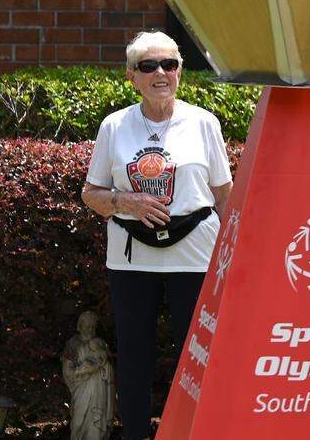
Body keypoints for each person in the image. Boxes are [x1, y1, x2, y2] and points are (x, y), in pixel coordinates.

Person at [81, 31, 232, 440]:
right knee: (135, 355)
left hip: (196, 255)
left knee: (196, 354)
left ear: (180, 71)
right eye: (148, 66)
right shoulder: (115, 126)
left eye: (169, 64)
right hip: (131, 258)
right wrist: (124, 202)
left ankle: (195, 432)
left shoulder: (204, 123)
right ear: (132, 76)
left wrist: (235, 254)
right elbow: (90, 193)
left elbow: (224, 195)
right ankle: (134, 433)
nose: (160, 73)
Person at [62, 310, 115, 440]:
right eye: (87, 326)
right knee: (78, 421)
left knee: (96, 424)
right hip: (80, 389)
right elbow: (67, 371)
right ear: (80, 326)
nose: (90, 329)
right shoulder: (72, 345)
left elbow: (108, 366)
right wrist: (84, 370)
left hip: (99, 389)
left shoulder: (101, 344)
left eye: (92, 326)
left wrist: (103, 367)